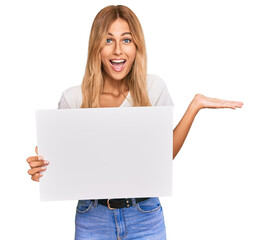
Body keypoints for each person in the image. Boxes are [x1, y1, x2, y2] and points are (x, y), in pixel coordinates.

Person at [26, 5, 243, 240]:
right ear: (96, 47)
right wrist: (43, 168)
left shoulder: (153, 89)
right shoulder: (73, 98)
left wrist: (195, 106)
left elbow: (163, 155)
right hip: (92, 218)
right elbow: (67, 167)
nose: (118, 50)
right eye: (108, 40)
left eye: (126, 40)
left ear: (136, 46)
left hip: (145, 216)